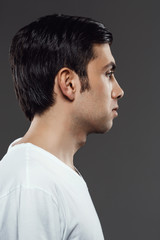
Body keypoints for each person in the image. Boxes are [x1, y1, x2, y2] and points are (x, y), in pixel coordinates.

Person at [0, 13, 124, 239]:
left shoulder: (49, 175)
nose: (118, 91)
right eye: (108, 74)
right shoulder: (33, 184)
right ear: (69, 83)